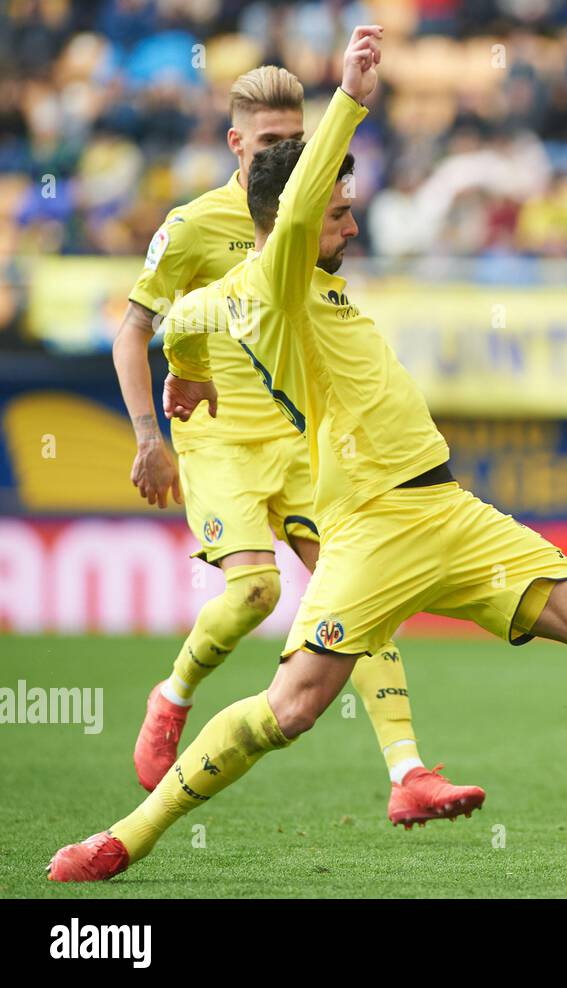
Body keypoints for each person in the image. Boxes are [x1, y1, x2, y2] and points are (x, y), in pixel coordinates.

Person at [48, 26, 567, 883]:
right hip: (375, 526)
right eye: (340, 209)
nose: (350, 218)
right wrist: (351, 100)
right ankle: (128, 836)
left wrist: (184, 378)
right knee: (292, 706)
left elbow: (181, 325)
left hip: (446, 511)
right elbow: (281, 224)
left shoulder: (248, 290)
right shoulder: (276, 275)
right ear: (294, 221)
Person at [109, 61, 477, 828]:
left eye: (297, 140)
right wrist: (150, 435)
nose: (288, 153)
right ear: (235, 143)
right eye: (270, 140)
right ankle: (173, 693)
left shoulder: (309, 220)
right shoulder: (191, 226)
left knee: (356, 597)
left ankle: (407, 772)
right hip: (218, 442)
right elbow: (135, 328)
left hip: (301, 442)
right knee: (256, 593)